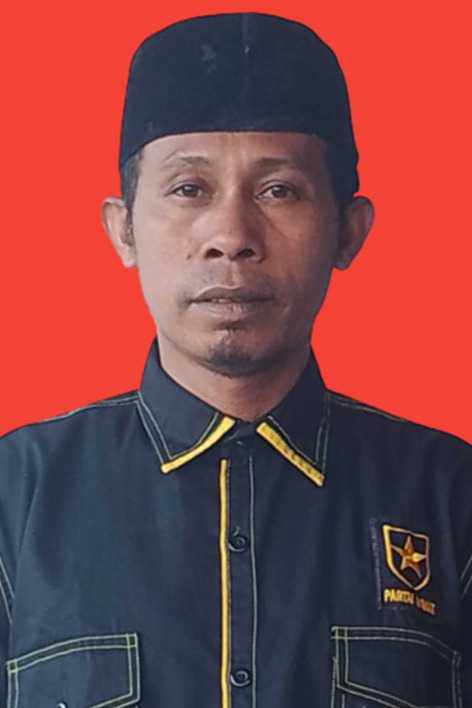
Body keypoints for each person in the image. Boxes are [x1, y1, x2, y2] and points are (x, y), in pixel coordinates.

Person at [0, 12, 471, 707]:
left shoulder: (450, 497)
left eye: (278, 190)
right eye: (188, 188)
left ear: (348, 231)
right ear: (123, 230)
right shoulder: (17, 497)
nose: (231, 235)